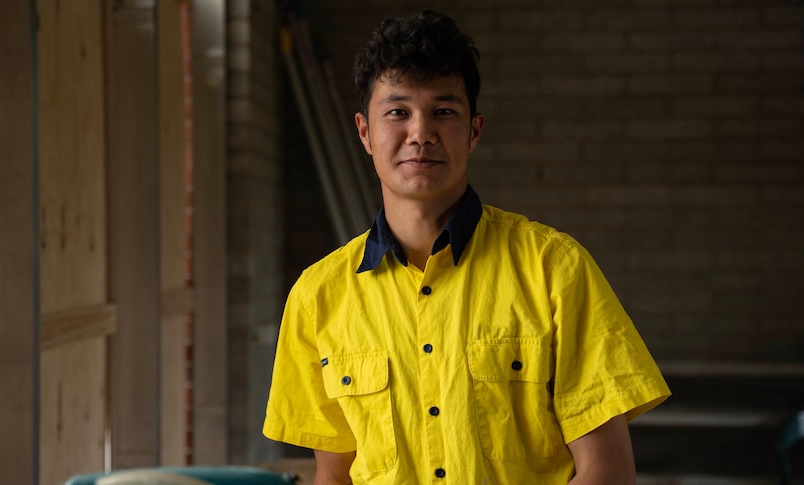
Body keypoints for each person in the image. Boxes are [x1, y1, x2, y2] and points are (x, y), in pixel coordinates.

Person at [263, 9, 670, 485]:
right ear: (364, 132)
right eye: (398, 112)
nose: (420, 133)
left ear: (474, 130)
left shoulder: (553, 268)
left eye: (443, 111)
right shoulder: (317, 296)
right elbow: (333, 476)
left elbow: (607, 472)